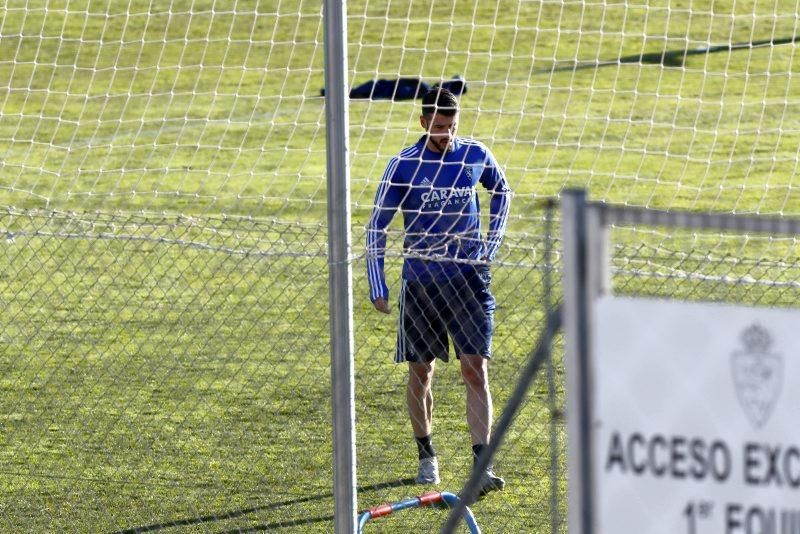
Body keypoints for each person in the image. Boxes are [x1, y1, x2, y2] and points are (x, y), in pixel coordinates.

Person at [366, 87, 512, 496]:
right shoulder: (403, 165)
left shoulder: (475, 154)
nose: (447, 135)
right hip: (421, 284)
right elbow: (376, 225)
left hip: (468, 281)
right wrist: (377, 283)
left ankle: (482, 464)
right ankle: (426, 454)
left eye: (452, 126)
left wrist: (490, 245)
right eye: (440, 127)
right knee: (421, 371)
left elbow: (502, 191)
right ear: (423, 122)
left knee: (475, 369)